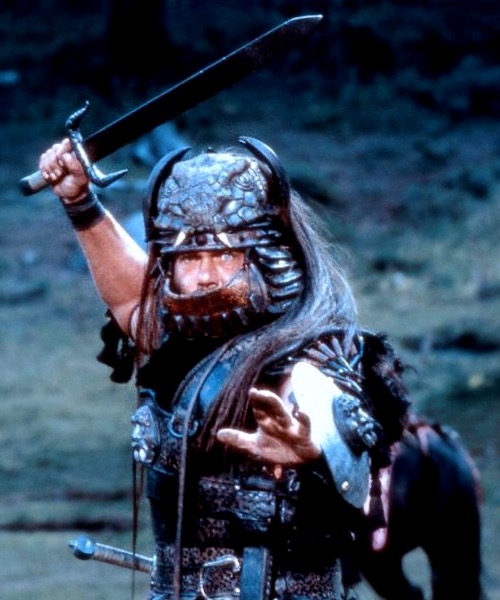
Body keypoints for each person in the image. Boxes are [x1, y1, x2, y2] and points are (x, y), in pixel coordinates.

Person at [39, 135, 410, 600]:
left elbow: (340, 438)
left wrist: (312, 452)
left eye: (225, 255)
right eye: (189, 257)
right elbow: (129, 296)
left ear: (265, 258)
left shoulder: (316, 352)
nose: (206, 276)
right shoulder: (172, 347)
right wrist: (79, 201)